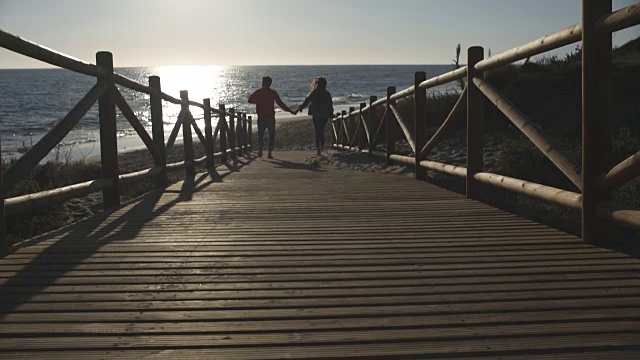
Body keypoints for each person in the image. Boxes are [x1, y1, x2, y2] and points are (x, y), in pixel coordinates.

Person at [248, 76, 295, 159]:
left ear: (263, 83)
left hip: (262, 116)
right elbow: (280, 103)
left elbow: (250, 100)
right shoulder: (273, 92)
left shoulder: (259, 92)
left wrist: (258, 101)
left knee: (260, 135)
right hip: (270, 116)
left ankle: (260, 151)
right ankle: (269, 153)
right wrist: (290, 110)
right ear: (270, 83)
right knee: (271, 135)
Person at [295, 77, 334, 156]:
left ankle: (318, 150)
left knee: (317, 131)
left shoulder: (314, 92)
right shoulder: (327, 94)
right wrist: (331, 113)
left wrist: (300, 109)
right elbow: (330, 105)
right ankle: (322, 147)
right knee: (322, 130)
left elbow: (306, 101)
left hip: (316, 114)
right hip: (324, 114)